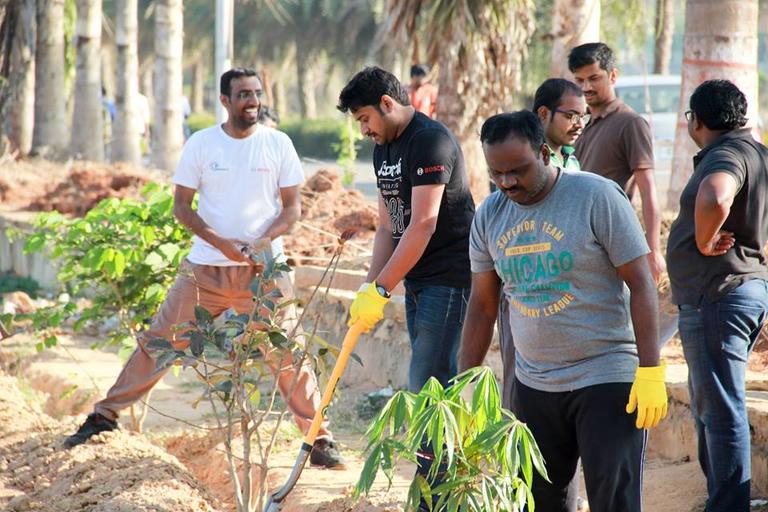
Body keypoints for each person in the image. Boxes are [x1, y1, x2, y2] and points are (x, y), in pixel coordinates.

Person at [63, 68, 345, 470]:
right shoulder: (202, 143)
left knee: (288, 351)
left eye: (257, 93)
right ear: (225, 101)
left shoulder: (278, 143)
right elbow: (182, 207)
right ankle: (104, 417)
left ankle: (319, 437)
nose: (252, 101)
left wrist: (264, 240)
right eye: (243, 94)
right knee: (160, 340)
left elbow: (292, 209)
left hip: (264, 270)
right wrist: (220, 242)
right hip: (205, 269)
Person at [459, 110, 667, 512]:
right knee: (538, 500)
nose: (507, 183)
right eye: (496, 173)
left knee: (614, 499)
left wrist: (651, 369)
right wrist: (463, 383)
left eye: (517, 171)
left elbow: (641, 283)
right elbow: (483, 307)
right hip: (534, 384)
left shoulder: (596, 196)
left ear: (544, 153)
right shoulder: (489, 215)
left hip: (605, 377)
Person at [337, 66, 474, 505]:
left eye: (364, 119)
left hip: (449, 279)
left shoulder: (430, 141)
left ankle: (435, 492)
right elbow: (387, 227)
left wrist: (382, 290)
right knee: (429, 383)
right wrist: (367, 287)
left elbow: (424, 224)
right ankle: (441, 484)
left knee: (428, 383)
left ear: (387, 104)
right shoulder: (384, 149)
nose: (363, 130)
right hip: (417, 281)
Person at [666, 79, 768, 512]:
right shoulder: (756, 152)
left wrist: (705, 240)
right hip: (738, 291)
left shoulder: (726, 155)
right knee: (712, 404)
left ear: (697, 121)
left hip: (720, 294)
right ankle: (723, 498)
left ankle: (729, 505)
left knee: (721, 409)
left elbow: (715, 194)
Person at [568, 42, 666, 283]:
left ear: (613, 75)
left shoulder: (630, 122)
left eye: (594, 78)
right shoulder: (581, 124)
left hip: (611, 239)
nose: (586, 87)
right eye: (579, 81)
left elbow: (648, 188)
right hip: (577, 240)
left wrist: (653, 250)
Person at [533, 78, 588, 172]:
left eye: (583, 117)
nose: (581, 125)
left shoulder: (572, 162)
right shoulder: (529, 160)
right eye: (571, 115)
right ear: (543, 113)